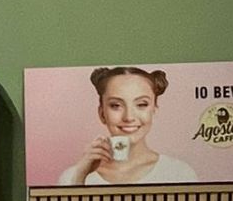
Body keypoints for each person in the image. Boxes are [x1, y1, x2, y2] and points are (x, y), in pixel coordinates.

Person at [59, 66, 198, 185]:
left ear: (154, 109)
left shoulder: (179, 173)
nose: (129, 117)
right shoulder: (73, 176)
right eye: (116, 105)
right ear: (102, 113)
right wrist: (80, 177)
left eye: (141, 104)